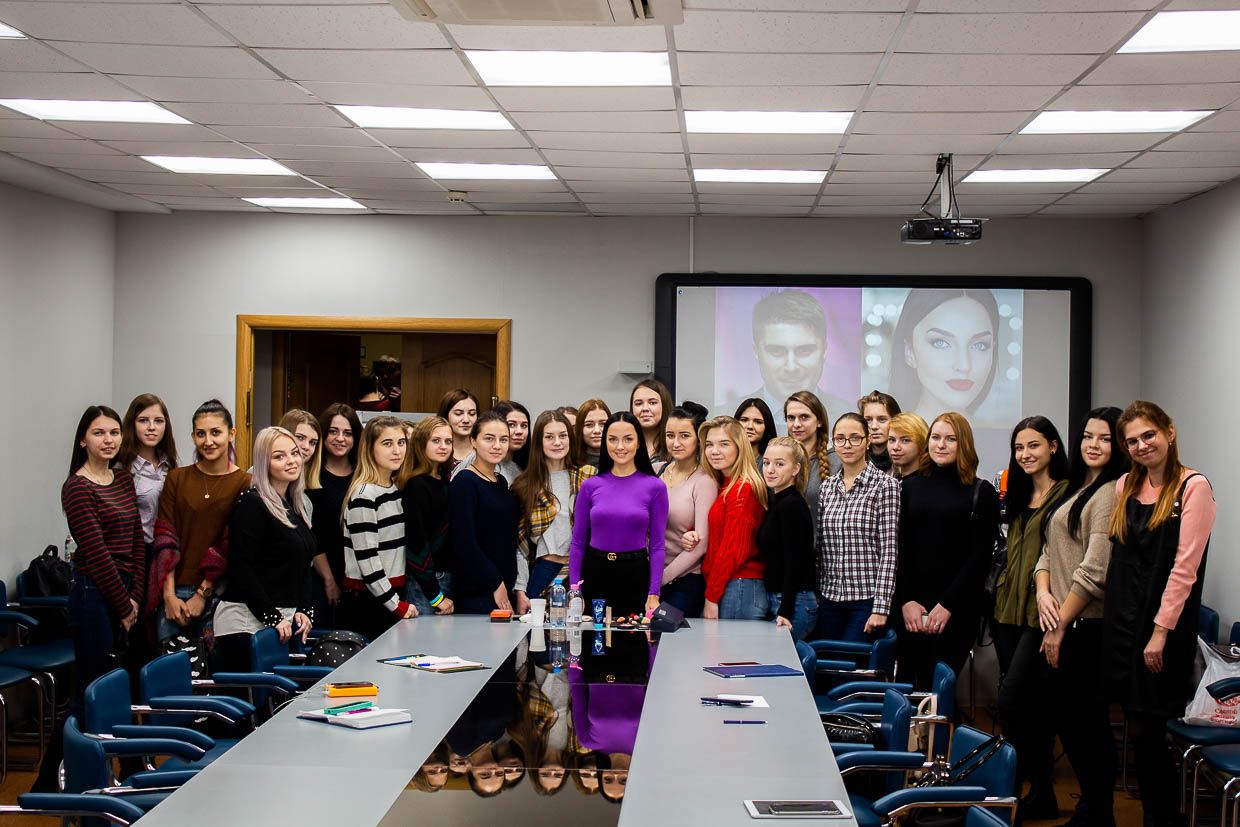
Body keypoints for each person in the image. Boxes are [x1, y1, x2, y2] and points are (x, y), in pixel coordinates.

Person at [1105, 401, 1215, 827]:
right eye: (1132, 441)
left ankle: (1163, 818)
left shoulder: (1193, 487)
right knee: (1136, 730)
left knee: (1151, 733)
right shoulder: (1124, 486)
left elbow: (1185, 568)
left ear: (1169, 432)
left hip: (1162, 628)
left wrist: (1160, 631)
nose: (1141, 445)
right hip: (1123, 624)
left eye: (1148, 435)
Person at [1035, 407, 1127, 827]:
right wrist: (1042, 592)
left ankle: (1099, 811)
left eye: (1105, 438)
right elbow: (1047, 552)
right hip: (1063, 620)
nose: (1093, 444)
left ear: (1119, 445)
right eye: (1088, 436)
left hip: (1086, 627)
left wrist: (1058, 626)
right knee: (1069, 721)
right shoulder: (1078, 488)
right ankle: (1092, 807)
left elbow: (1095, 570)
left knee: (1086, 725)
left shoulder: (1109, 494)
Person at [991, 415, 1070, 821]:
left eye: (1034, 445)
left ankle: (1023, 781)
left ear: (1053, 447)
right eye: (1019, 447)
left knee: (1012, 700)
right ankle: (1037, 792)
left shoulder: (1067, 494)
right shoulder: (1020, 493)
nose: (1025, 454)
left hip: (1043, 612)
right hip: (1007, 607)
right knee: (1026, 704)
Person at [893, 412, 999, 689]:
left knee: (938, 693)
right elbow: (898, 549)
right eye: (935, 437)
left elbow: (980, 558)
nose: (941, 445)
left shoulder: (982, 492)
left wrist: (947, 605)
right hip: (910, 608)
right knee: (906, 690)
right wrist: (906, 600)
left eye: (950, 439)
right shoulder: (908, 487)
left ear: (964, 444)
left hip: (957, 610)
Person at [149, 400, 251, 656]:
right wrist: (169, 596)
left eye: (216, 432)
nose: (208, 441)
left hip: (218, 594)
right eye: (200, 434)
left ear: (231, 434)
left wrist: (202, 594)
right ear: (193, 436)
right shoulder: (177, 478)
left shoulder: (245, 482)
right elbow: (165, 538)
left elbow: (230, 544)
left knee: (209, 669)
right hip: (174, 590)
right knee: (169, 670)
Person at [213, 427, 315, 672]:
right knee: (256, 694)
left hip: (279, 620)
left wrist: (304, 609)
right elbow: (241, 570)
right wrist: (272, 616)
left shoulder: (295, 504)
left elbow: (303, 565)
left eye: (294, 453)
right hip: (245, 621)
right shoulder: (252, 503)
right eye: (279, 456)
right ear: (263, 463)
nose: (291, 461)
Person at [63, 405, 145, 699]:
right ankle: (75, 732)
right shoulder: (77, 487)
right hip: (94, 591)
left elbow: (137, 539)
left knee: (122, 684)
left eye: (114, 432)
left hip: (127, 589)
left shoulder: (123, 479)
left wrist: (135, 596)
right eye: (98, 433)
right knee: (96, 686)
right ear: (83, 440)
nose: (108, 440)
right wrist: (124, 606)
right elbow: (97, 555)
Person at [570, 412, 667, 618]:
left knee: (634, 637)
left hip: (635, 574)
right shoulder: (590, 486)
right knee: (594, 637)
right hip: (595, 573)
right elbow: (578, 542)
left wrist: (654, 593)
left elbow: (657, 545)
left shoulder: (655, 487)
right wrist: (574, 589)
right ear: (605, 443)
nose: (620, 446)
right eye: (613, 439)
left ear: (639, 443)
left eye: (628, 439)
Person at [815, 412, 901, 642]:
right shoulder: (827, 487)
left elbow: (889, 551)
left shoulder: (886, 486)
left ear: (868, 440)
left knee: (852, 660)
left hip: (866, 600)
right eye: (840, 439)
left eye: (855, 438)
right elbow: (821, 548)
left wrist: (881, 607)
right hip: (829, 597)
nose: (847, 445)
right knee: (827, 661)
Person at [341, 415, 418, 639]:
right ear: (370, 449)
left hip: (392, 593)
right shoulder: (364, 495)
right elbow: (368, 560)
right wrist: (395, 604)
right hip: (370, 600)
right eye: (387, 443)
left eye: (401, 443)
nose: (397, 450)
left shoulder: (393, 489)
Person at [511, 410, 596, 612]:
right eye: (549, 437)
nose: (557, 442)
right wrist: (520, 589)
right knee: (534, 630)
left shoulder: (589, 477)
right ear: (539, 442)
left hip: (582, 569)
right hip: (545, 569)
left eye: (563, 436)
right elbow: (519, 545)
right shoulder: (525, 485)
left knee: (584, 629)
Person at [728, 289, 853, 419]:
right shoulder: (726, 418)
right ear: (756, 352)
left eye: (804, 351)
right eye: (777, 351)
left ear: (824, 350)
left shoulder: (852, 416)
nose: (791, 367)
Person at [890, 289, 1002, 425]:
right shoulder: (890, 434)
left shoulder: (1000, 434)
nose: (964, 365)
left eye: (980, 345)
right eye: (940, 343)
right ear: (909, 351)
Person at [450, 412, 522, 615]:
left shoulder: (501, 481)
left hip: (505, 585)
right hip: (479, 590)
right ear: (473, 441)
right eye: (489, 439)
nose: (497, 446)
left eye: (503, 440)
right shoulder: (465, 482)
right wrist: (495, 582)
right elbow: (464, 543)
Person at [700, 416, 767, 621]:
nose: (714, 451)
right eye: (709, 444)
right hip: (730, 585)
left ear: (740, 447)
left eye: (724, 444)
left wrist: (711, 596)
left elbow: (733, 550)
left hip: (739, 587)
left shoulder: (742, 489)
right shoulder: (725, 485)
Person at [658, 403, 717, 618]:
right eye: (670, 435)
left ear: (698, 439)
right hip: (651, 576)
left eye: (684, 436)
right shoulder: (656, 471)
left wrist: (661, 578)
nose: (676, 443)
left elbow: (701, 545)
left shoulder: (705, 481)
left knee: (668, 633)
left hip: (685, 580)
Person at [306, 403, 359, 629]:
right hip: (321, 574)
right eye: (333, 431)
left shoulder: (363, 474)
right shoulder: (311, 476)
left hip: (358, 577)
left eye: (347, 433)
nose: (340, 438)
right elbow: (313, 534)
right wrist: (329, 579)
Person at [757, 437, 816, 640]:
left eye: (779, 464)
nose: (770, 470)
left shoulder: (792, 505)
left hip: (793, 602)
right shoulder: (778, 501)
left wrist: (786, 610)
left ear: (795, 469)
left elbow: (795, 562)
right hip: (781, 598)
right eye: (766, 463)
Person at [399, 416, 456, 617]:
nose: (443, 446)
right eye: (436, 441)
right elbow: (416, 544)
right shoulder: (416, 485)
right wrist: (436, 596)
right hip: (426, 584)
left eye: (448, 441)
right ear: (421, 443)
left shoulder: (444, 481)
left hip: (446, 577)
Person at [117, 393, 179, 553]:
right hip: (136, 552)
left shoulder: (170, 465)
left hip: (167, 549)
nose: (152, 427)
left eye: (158, 421)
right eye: (143, 420)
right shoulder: (121, 468)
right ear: (132, 424)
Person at [784, 391, 840, 529]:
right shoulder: (778, 461)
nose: (796, 424)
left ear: (819, 421)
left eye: (804, 417)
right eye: (791, 418)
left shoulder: (837, 461)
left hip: (822, 541)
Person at [277, 409, 322, 491]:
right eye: (300, 438)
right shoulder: (257, 477)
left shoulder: (315, 487)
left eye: (312, 442)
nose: (306, 447)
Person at [437, 388, 480, 471]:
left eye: (472, 414)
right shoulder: (435, 450)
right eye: (458, 414)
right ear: (446, 415)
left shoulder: (484, 451)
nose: (466, 420)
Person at [630, 379, 672, 463]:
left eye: (652, 403)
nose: (645, 408)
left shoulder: (675, 445)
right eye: (639, 404)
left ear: (664, 406)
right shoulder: (623, 446)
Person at [858, 390, 900, 473]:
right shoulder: (850, 456)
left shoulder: (908, 459)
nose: (874, 426)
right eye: (868, 420)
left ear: (896, 421)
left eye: (882, 419)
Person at [734, 397, 777, 468]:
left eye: (758, 422)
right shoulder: (726, 459)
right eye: (744, 420)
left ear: (767, 426)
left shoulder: (774, 462)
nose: (750, 426)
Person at [886, 412, 929, 479]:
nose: (895, 447)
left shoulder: (928, 482)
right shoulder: (892, 480)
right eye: (892, 440)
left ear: (922, 443)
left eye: (905, 440)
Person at [498, 400, 532, 478]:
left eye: (524, 426)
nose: (519, 431)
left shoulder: (527, 467)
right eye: (511, 425)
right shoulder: (479, 460)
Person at [575, 399, 611, 468]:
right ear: (580, 429)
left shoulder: (624, 462)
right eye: (589, 425)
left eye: (603, 424)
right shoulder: (570, 464)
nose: (597, 431)